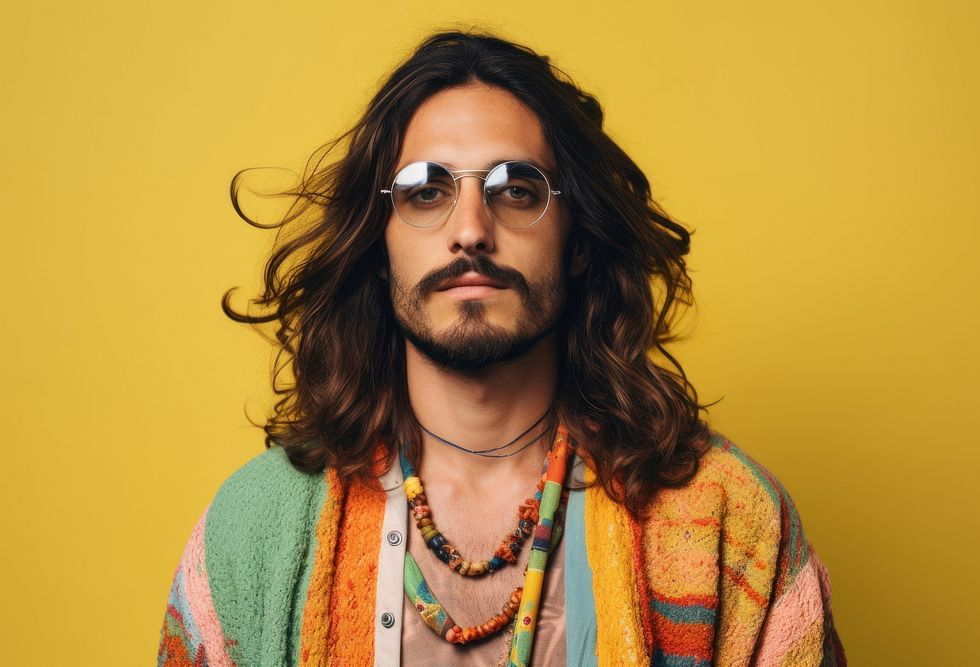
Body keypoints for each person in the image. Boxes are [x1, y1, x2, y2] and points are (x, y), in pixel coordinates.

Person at [158, 30, 845, 667]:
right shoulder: (255, 531)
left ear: (578, 241)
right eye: (427, 191)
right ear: (378, 244)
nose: (471, 230)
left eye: (516, 190)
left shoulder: (726, 520)